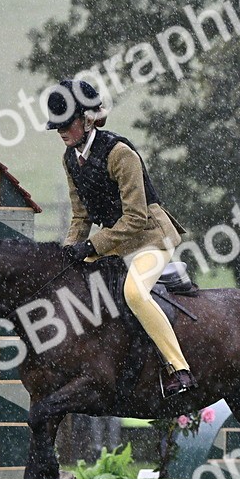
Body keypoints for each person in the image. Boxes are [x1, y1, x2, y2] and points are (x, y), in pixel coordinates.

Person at [47, 79, 196, 395]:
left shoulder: (119, 153)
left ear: (87, 120)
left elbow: (135, 218)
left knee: (134, 293)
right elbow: (80, 217)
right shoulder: (70, 159)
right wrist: (66, 254)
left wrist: (90, 246)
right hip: (115, 241)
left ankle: (178, 369)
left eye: (66, 124)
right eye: (56, 126)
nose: (61, 131)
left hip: (150, 237)